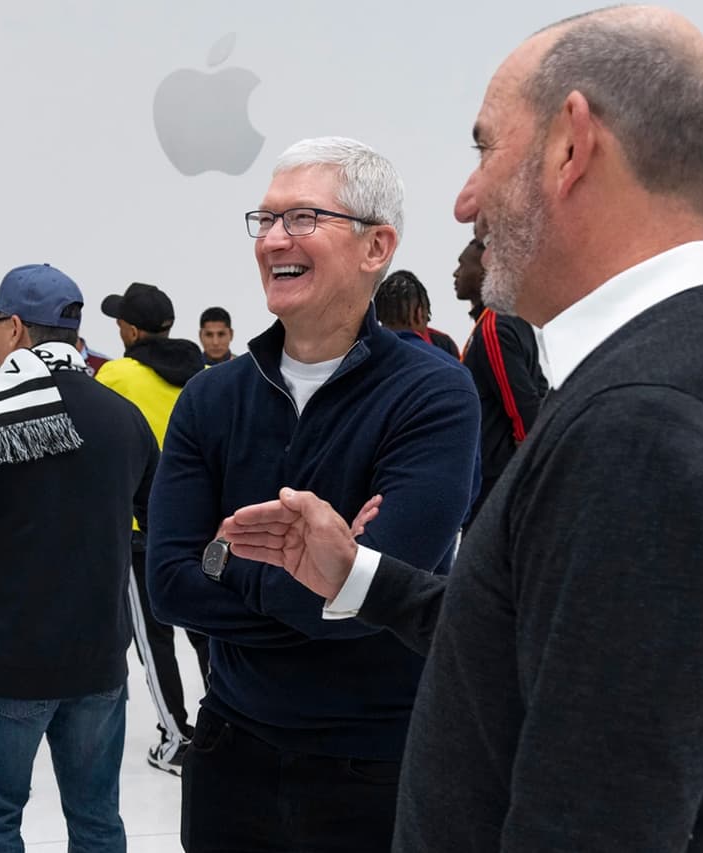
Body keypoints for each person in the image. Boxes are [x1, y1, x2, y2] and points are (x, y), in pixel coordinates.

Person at [222, 7, 703, 850]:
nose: (466, 200)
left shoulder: (638, 425)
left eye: (485, 149)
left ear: (572, 147)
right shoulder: (685, 363)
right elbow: (549, 637)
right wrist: (358, 574)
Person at [146, 137, 481, 852]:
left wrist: (226, 559)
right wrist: (331, 574)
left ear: (375, 246)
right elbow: (169, 583)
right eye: (265, 219)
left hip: (375, 765)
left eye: (302, 217)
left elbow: (385, 596)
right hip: (229, 752)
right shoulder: (211, 397)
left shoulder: (434, 395)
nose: (273, 239)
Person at [0, 264, 158, 853]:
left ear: (14, 328)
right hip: (98, 657)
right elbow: (159, 519)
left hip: (8, 658)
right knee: (97, 820)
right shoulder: (122, 417)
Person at [97, 281, 209, 776]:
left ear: (132, 331)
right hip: (201, 524)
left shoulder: (117, 375)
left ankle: (176, 738)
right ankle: (222, 726)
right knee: (206, 632)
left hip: (141, 528)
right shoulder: (202, 372)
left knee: (153, 639)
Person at [453, 235, 548, 517]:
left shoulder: (494, 327)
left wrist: (526, 464)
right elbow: (539, 386)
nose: (456, 273)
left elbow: (521, 403)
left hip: (495, 475)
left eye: (462, 264)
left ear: (484, 270)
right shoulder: (506, 320)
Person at [375, 270, 482, 518]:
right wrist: (463, 513)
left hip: (366, 513)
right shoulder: (452, 370)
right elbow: (470, 456)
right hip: (434, 511)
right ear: (419, 314)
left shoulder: (355, 364)